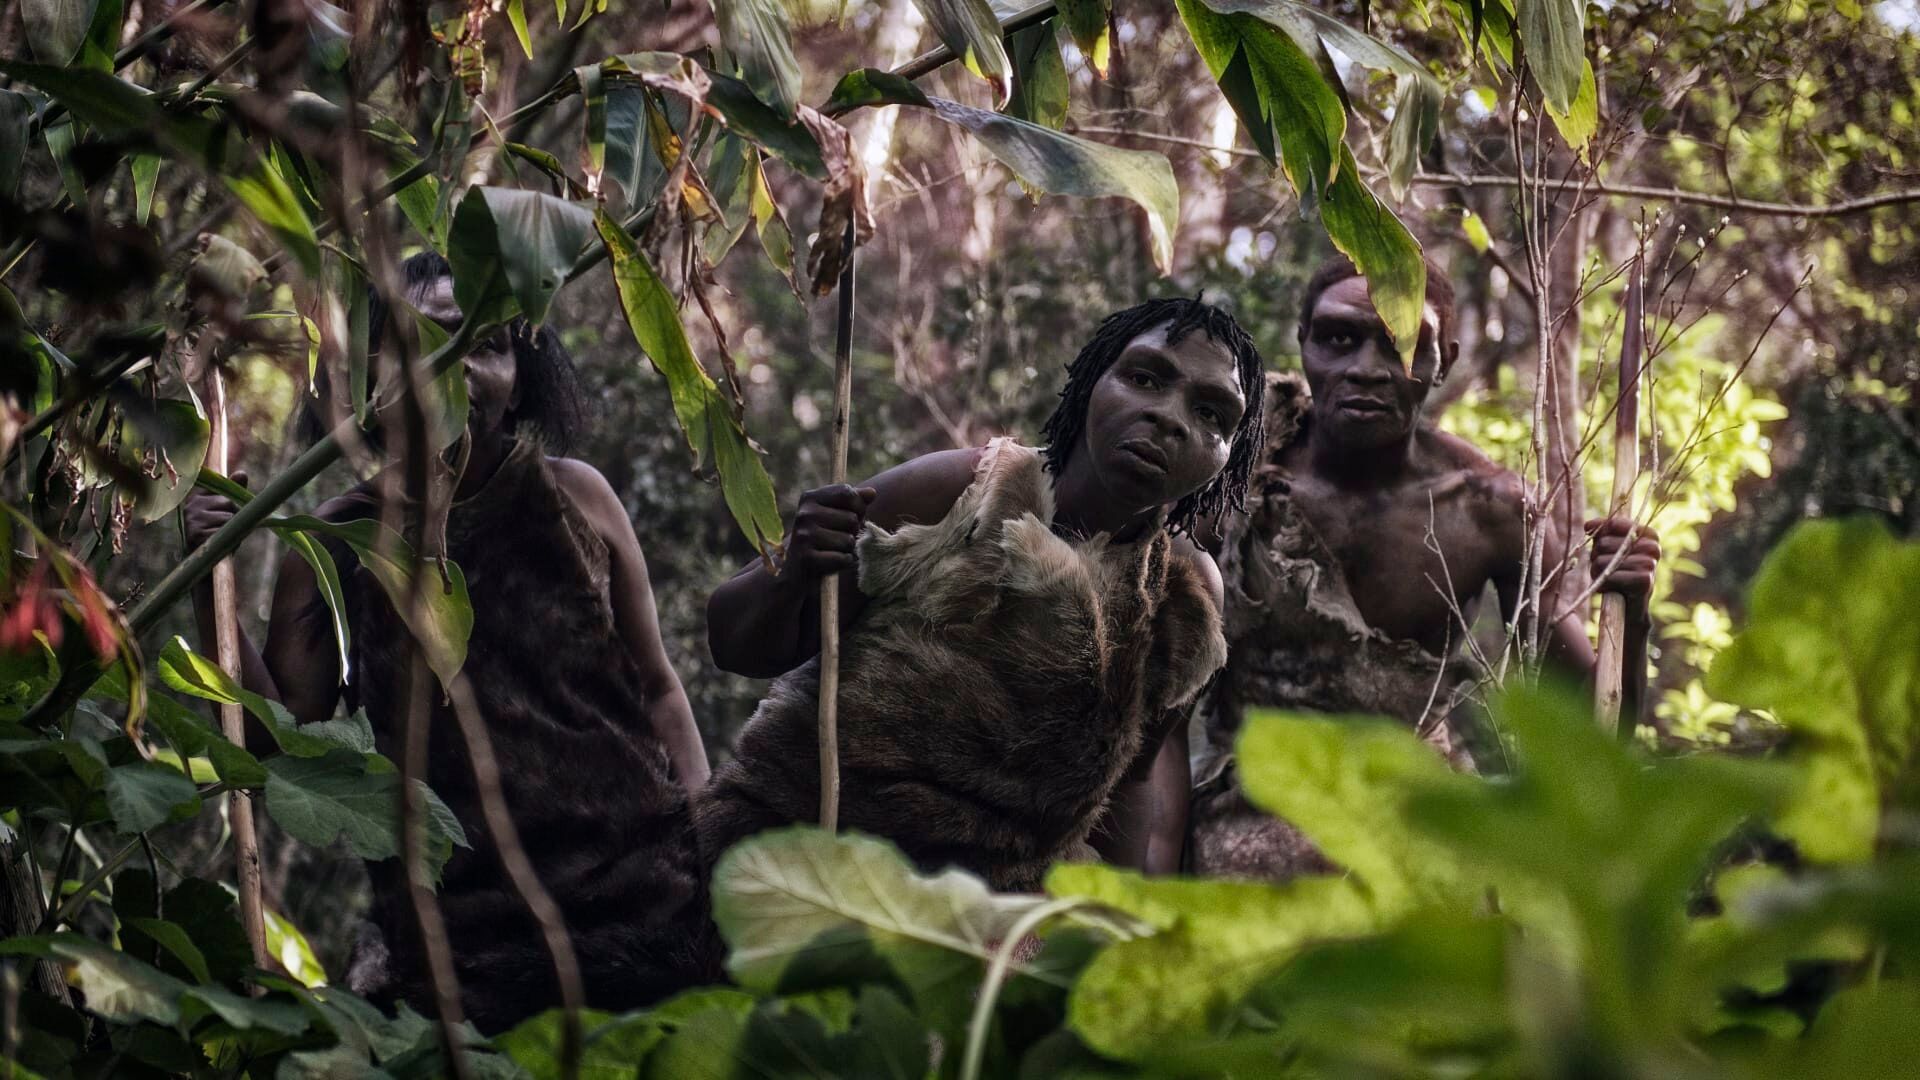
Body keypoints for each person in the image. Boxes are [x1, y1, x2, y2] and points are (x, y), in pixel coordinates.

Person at [181, 252, 718, 1030]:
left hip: (641, 905)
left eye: (486, 344)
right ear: (369, 379)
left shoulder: (578, 497)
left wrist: (707, 841)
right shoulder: (334, 539)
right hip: (456, 943)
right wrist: (211, 585)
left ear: (521, 381)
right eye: (422, 341)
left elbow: (659, 687)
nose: (456, 365)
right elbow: (279, 746)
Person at [699, 298, 1268, 890]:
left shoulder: (1183, 597)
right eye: (1144, 378)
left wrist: (1108, 921)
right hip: (802, 857)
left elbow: (1131, 780)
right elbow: (734, 644)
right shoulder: (958, 491)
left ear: (1228, 458)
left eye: (1211, 413)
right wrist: (794, 568)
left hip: (993, 908)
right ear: (1091, 382)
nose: (1169, 417)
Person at [1188, 255, 1662, 881]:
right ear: (1303, 343)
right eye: (1338, 338)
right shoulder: (1234, 464)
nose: (1366, 369)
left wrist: (1633, 610)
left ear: (1444, 361)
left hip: (1413, 817)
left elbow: (1595, 731)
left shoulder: (1491, 511)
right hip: (1244, 800)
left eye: (1404, 344)